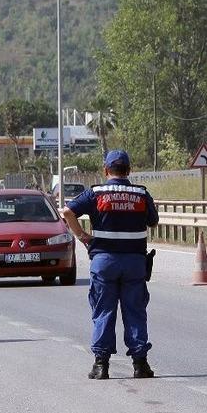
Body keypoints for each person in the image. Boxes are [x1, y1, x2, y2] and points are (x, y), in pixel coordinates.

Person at [60, 150, 159, 379]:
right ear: (129, 170)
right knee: (135, 311)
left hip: (104, 261)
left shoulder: (96, 193)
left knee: (104, 310)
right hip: (134, 261)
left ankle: (101, 365)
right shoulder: (141, 193)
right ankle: (140, 364)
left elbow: (67, 212)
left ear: (106, 170)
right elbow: (153, 221)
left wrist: (83, 236)